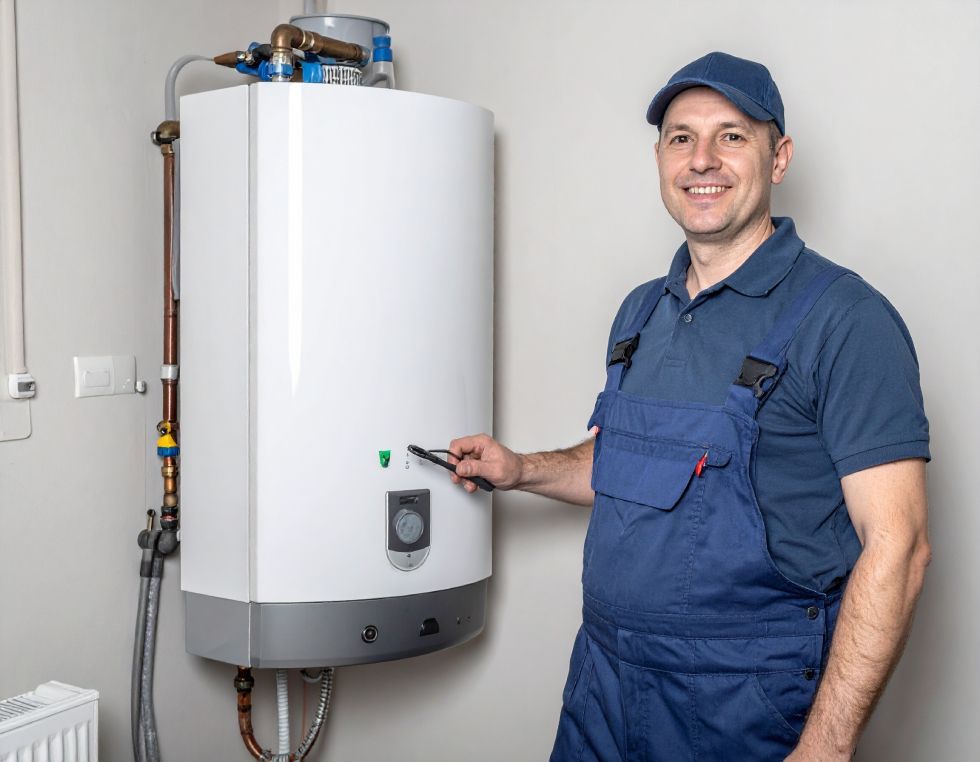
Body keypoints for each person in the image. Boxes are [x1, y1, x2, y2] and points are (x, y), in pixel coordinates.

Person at [448, 52, 931, 761]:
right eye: (682, 138)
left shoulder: (847, 319)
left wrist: (825, 747)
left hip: (743, 702)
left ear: (779, 157)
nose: (702, 159)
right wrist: (521, 468)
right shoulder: (642, 312)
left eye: (731, 136)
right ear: (660, 159)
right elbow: (631, 461)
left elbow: (901, 546)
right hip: (603, 683)